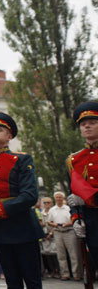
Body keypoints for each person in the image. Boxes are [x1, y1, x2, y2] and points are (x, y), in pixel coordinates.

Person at [0, 112, 44, 289]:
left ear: (9, 136)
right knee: (12, 281)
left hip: (23, 228)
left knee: (32, 280)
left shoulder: (22, 159)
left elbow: (30, 195)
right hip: (0, 230)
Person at [66, 101, 98, 271]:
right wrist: (76, 218)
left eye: (92, 123)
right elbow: (72, 195)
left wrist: (88, 198)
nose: (87, 127)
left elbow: (81, 197)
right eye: (83, 124)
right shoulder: (74, 160)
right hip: (90, 222)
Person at [46, 192, 80, 280]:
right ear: (55, 199)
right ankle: (65, 274)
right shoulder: (52, 210)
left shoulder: (68, 208)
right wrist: (54, 224)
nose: (58, 199)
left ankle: (76, 274)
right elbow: (49, 221)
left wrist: (68, 224)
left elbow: (73, 220)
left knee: (74, 254)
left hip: (69, 231)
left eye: (60, 197)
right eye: (57, 197)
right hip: (58, 232)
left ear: (63, 198)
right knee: (61, 255)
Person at [39, 197, 59, 278]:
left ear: (52, 203)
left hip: (54, 233)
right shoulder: (41, 212)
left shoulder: (54, 211)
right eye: (45, 203)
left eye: (48, 202)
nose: (46, 204)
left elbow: (56, 223)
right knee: (47, 254)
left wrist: (51, 233)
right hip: (45, 234)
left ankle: (57, 270)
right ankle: (51, 271)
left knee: (55, 254)